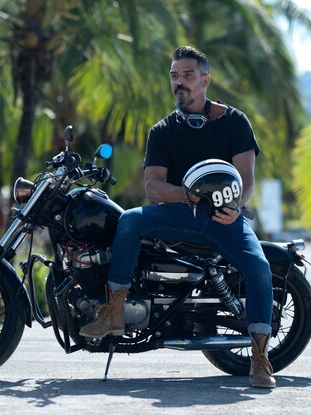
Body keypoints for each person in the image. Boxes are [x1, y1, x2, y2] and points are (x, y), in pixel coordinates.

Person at [79, 46, 275, 389]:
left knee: (259, 266)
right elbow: (153, 186)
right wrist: (190, 196)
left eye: (187, 75)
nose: (179, 82)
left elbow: (246, 178)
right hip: (179, 213)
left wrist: (235, 207)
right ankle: (113, 312)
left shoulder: (234, 122)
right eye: (174, 76)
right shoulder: (163, 130)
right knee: (129, 221)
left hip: (225, 219)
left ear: (205, 80)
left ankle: (259, 358)